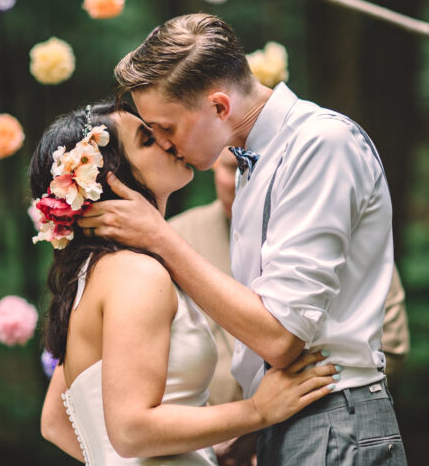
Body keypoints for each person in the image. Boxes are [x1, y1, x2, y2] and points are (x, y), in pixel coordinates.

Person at [78, 14, 408, 464]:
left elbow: (281, 336)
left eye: (167, 128)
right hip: (293, 421)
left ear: (218, 107)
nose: (166, 144)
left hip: (335, 418)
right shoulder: (255, 163)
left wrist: (160, 238)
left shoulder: (320, 144)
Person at [36, 100, 341, 465]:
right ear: (109, 178)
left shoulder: (93, 273)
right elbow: (131, 429)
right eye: (148, 140)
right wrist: (258, 411)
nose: (168, 141)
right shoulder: (136, 274)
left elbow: (55, 422)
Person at [170, 150, 411, 396]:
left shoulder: (340, 231)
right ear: (212, 164)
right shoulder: (176, 237)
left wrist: (305, 400)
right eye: (234, 168)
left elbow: (390, 344)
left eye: (262, 170)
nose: (246, 184)